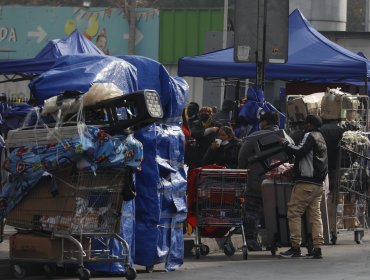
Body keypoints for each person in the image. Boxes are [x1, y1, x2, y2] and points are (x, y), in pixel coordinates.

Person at [279, 114, 328, 259]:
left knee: (294, 212)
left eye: (306, 124)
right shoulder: (321, 137)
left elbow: (299, 150)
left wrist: (285, 144)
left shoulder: (310, 135)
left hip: (306, 183)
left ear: (310, 124)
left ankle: (295, 247)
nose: (304, 126)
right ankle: (317, 248)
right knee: (315, 216)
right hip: (318, 184)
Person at [238, 111, 280, 251]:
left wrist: (243, 171)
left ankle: (251, 241)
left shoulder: (253, 137)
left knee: (252, 211)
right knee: (274, 212)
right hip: (278, 183)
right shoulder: (285, 137)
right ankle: (273, 241)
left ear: (264, 122)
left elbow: (242, 158)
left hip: (256, 181)